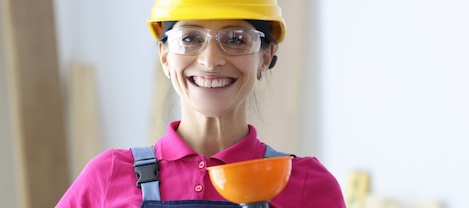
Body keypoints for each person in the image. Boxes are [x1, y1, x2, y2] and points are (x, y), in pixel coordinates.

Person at [56, 0, 346, 207]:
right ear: (165, 56)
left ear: (266, 56)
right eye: (190, 38)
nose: (210, 60)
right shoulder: (108, 176)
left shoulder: (307, 184)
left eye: (235, 39)